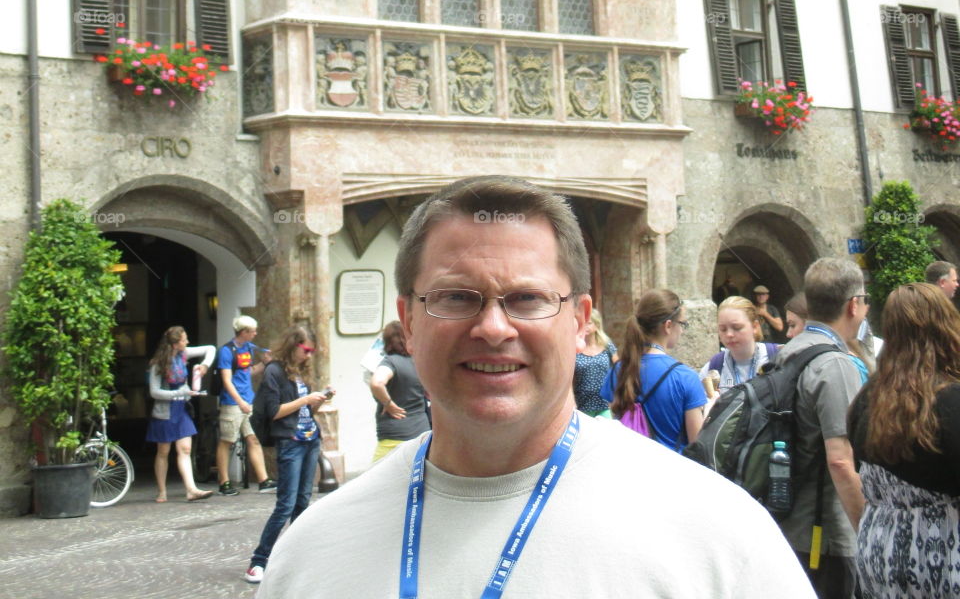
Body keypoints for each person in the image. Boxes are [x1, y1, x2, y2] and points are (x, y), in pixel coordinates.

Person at [256, 176, 814, 598]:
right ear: (409, 320)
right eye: (454, 297)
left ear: (578, 320)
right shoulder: (311, 552)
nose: (494, 328)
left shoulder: (716, 532)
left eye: (528, 299)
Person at [847, 283, 960, 598]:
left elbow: (857, 467)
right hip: (941, 552)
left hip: (879, 551)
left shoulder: (866, 400)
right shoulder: (950, 401)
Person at [776, 258, 869, 598]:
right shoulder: (835, 364)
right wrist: (867, 528)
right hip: (826, 532)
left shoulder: (787, 353)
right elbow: (841, 461)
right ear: (853, 305)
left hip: (787, 521)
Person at [244, 324, 334, 585]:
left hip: (309, 440)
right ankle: (257, 562)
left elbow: (305, 413)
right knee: (285, 505)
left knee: (302, 504)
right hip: (291, 442)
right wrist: (305, 401)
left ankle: (296, 560)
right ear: (294, 344)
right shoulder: (274, 371)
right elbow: (274, 411)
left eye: (312, 352)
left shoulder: (301, 372)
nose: (309, 356)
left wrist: (318, 401)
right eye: (306, 350)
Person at [602, 288, 705, 448]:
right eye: (682, 324)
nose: (682, 331)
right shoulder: (685, 377)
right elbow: (697, 445)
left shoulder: (619, 370)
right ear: (668, 326)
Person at [145, 326, 215, 502]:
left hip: (181, 408)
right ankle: (162, 490)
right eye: (184, 339)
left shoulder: (184, 354)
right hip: (165, 410)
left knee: (185, 448)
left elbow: (210, 349)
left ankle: (191, 489)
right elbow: (154, 392)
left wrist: (205, 365)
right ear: (176, 344)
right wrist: (178, 393)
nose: (187, 342)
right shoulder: (157, 364)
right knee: (163, 450)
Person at [217, 315, 277, 496]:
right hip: (232, 403)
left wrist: (264, 363)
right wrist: (239, 401)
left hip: (248, 400)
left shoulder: (249, 348)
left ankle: (263, 480)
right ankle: (224, 482)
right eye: (252, 331)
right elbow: (227, 380)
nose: (255, 334)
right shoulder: (227, 351)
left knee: (253, 438)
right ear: (243, 332)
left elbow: (247, 372)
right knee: (227, 440)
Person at [368, 319, 430, 462]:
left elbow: (377, 383)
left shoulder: (390, 362)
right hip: (421, 432)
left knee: (378, 481)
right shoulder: (418, 363)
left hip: (394, 436)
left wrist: (388, 403)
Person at [700, 296, 779, 392]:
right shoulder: (713, 367)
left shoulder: (778, 358)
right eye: (723, 329)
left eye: (737, 327)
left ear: (755, 326)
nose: (729, 334)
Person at [572, 309, 618, 416]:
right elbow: (570, 376)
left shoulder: (607, 345)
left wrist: (616, 395)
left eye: (589, 323)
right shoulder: (576, 347)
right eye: (583, 323)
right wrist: (572, 399)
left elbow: (618, 370)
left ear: (597, 325)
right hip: (582, 403)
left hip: (605, 403)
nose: (585, 326)